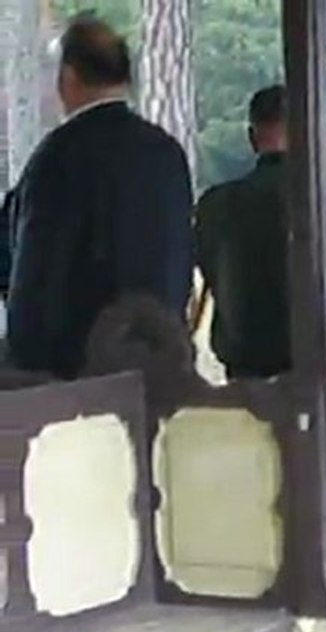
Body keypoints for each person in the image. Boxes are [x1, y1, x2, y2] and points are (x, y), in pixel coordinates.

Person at [194, 85, 326, 632]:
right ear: (311, 134)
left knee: (265, 535)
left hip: (250, 391)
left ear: (252, 136)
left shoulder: (215, 207)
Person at [6, 16, 193, 378]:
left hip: (79, 369)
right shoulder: (166, 153)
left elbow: (37, 274)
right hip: (159, 360)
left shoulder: (59, 156)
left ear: (68, 76)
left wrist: (24, 358)